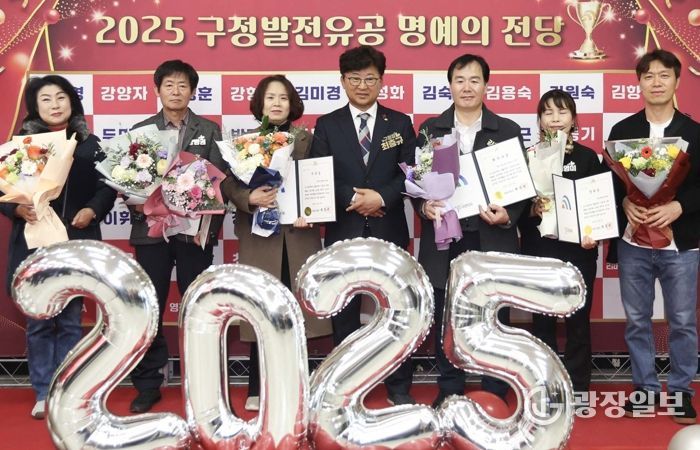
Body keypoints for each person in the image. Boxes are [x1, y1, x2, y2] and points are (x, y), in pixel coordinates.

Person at [415, 54, 528, 407]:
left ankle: (495, 387)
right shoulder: (430, 129)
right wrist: (424, 207)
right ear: (450, 85)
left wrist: (507, 215)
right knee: (447, 313)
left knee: (493, 312)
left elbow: (521, 187)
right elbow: (417, 185)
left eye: (474, 80)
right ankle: (450, 386)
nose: (467, 87)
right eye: (460, 80)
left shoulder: (506, 129)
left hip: (491, 235)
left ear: (486, 85)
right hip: (447, 238)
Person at [0, 75, 117, 419]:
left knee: (69, 320)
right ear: (35, 106)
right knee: (39, 321)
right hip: (34, 243)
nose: (55, 104)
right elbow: (3, 190)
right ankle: (42, 391)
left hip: (75, 241)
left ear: (72, 101)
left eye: (61, 97)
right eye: (46, 99)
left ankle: (67, 389)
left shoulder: (90, 144)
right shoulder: (22, 145)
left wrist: (92, 210)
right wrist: (16, 209)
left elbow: (108, 186)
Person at [309, 45, 417, 405]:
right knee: (344, 311)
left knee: (397, 309)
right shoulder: (327, 124)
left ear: (382, 81)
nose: (362, 85)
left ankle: (398, 386)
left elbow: (410, 171)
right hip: (344, 230)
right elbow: (320, 173)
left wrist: (381, 197)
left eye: (370, 78)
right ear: (342, 81)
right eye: (354, 78)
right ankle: (346, 386)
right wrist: (356, 199)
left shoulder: (399, 123)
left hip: (389, 229)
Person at [220, 75, 331, 411]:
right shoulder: (245, 143)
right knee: (262, 310)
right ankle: (257, 386)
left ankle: (298, 386)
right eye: (270, 97)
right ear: (260, 103)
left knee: (297, 314)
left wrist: (311, 211)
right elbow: (227, 184)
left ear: (292, 103)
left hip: (298, 235)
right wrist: (249, 197)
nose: (277, 103)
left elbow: (319, 180)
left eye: (283, 97)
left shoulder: (307, 139)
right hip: (260, 238)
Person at [127, 60, 226, 413]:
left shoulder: (210, 130)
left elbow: (219, 182)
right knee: (149, 306)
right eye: (169, 85)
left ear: (192, 91)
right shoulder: (141, 130)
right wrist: (139, 200)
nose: (176, 91)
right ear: (157, 89)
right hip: (151, 233)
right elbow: (130, 180)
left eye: (183, 85)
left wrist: (203, 222)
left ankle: (202, 380)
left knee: (198, 306)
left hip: (192, 235)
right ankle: (148, 382)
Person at [607, 49, 700, 424]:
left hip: (681, 244)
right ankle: (644, 390)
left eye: (664, 75)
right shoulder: (622, 131)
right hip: (634, 242)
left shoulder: (694, 133)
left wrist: (680, 207)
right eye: (649, 76)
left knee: (682, 321)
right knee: (637, 320)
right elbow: (610, 184)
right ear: (639, 83)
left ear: (677, 81)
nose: (656, 82)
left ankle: (681, 393)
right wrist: (624, 204)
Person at [519, 89, 605, 397]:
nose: (555, 118)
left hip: (579, 251)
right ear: (539, 119)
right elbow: (515, 209)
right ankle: (546, 384)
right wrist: (533, 208)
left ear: (574, 119)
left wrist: (594, 233)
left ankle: (578, 386)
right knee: (542, 320)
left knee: (578, 320)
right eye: (548, 112)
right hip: (539, 249)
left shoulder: (588, 158)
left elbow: (599, 203)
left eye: (562, 111)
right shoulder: (529, 156)